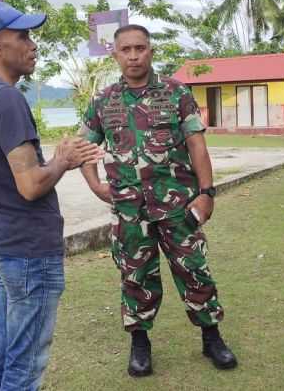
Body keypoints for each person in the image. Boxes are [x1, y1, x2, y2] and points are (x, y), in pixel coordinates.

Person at [0, 1, 103, 391]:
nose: (33, 44)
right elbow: (30, 185)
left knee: (5, 350)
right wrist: (63, 160)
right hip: (28, 248)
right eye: (22, 35)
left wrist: (55, 160)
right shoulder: (5, 98)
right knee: (25, 364)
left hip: (5, 240)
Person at [79, 24, 238, 377]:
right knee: (135, 276)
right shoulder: (103, 100)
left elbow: (197, 144)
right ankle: (140, 344)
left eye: (140, 48)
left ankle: (212, 338)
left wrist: (207, 193)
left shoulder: (176, 93)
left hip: (178, 207)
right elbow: (84, 148)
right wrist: (95, 185)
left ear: (151, 51)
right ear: (115, 54)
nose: (134, 56)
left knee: (195, 271)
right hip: (129, 212)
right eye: (126, 50)